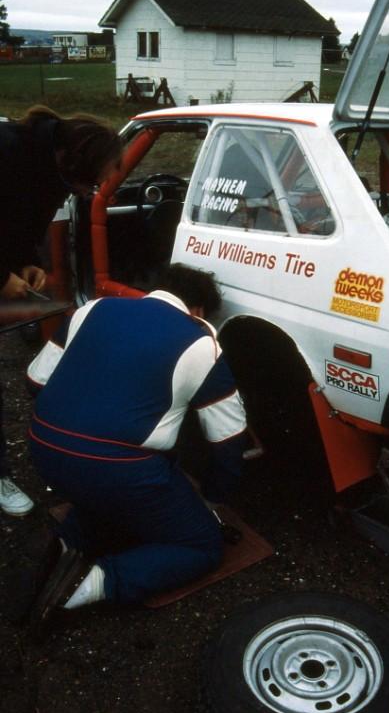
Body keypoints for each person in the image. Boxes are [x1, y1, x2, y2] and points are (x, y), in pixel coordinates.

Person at [28, 264, 247, 638]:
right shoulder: (202, 342)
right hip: (118, 471)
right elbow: (229, 442)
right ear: (197, 310)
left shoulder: (92, 309)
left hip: (44, 447)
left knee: (111, 494)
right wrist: (212, 500)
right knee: (201, 546)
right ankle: (91, 586)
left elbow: (35, 380)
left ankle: (67, 541)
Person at [0, 105, 122, 517]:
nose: (88, 194)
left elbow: (18, 224)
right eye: (89, 185)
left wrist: (24, 262)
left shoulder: (51, 172)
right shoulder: (8, 152)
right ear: (71, 160)